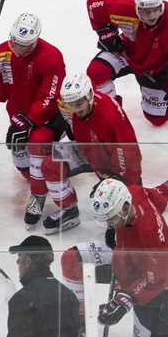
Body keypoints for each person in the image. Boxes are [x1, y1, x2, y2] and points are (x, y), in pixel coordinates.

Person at [0, 13, 67, 228]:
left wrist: (29, 121)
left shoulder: (51, 56)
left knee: (38, 144)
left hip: (49, 117)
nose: (19, 49)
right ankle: (52, 169)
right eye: (16, 43)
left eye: (26, 46)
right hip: (19, 118)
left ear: (36, 39)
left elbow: (50, 96)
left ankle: (37, 197)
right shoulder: (1, 53)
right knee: (27, 172)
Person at [39, 72, 143, 235]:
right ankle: (69, 211)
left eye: (79, 103)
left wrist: (116, 179)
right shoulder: (77, 108)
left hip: (116, 167)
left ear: (89, 95)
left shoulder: (109, 116)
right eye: (71, 104)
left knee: (129, 215)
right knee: (50, 164)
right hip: (89, 152)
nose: (76, 109)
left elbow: (128, 151)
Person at [79, 179, 168, 337]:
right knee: (72, 258)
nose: (108, 224)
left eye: (111, 218)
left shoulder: (147, 236)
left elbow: (155, 277)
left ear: (125, 209)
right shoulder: (134, 192)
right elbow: (157, 199)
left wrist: (126, 298)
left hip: (156, 280)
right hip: (128, 258)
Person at [0, 235, 85, 337]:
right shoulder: (67, 294)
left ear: (28, 262)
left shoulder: (22, 298)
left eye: (20, 257)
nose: (18, 262)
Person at [85, 0, 168, 126]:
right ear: (136, 8)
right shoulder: (124, 9)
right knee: (97, 71)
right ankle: (111, 113)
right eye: (146, 11)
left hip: (155, 70)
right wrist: (106, 34)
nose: (152, 15)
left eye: (156, 9)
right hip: (127, 52)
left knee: (156, 119)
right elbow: (95, 1)